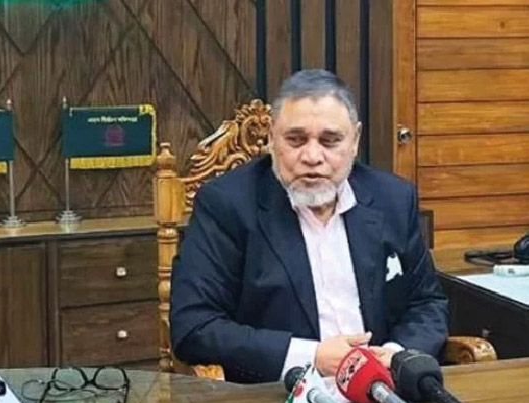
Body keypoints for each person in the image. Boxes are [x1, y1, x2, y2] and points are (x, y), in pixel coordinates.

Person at [170, 69, 448, 383]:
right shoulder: (227, 206)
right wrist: (311, 357)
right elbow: (194, 326)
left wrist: (396, 357)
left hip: (384, 388)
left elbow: (427, 303)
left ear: (355, 141)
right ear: (271, 137)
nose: (313, 156)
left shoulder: (392, 199)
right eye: (296, 139)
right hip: (279, 396)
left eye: (330, 141)